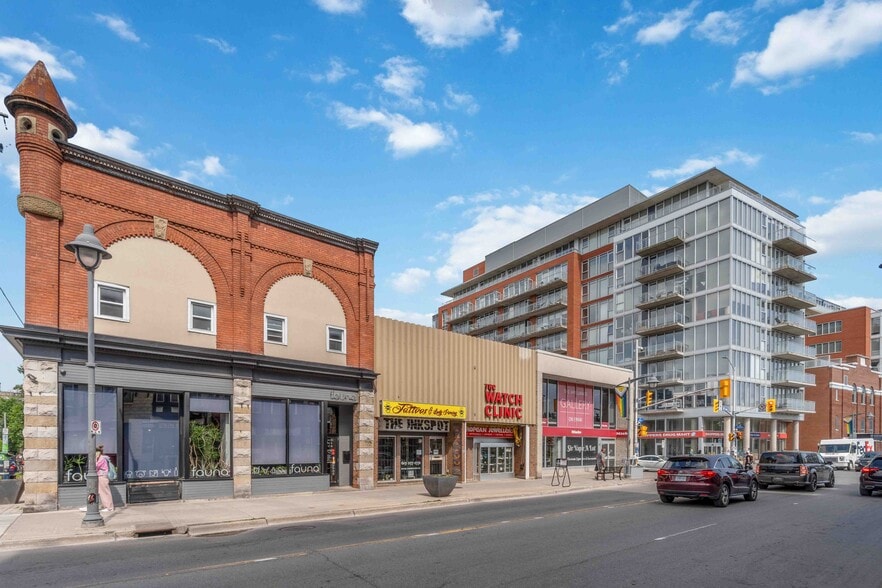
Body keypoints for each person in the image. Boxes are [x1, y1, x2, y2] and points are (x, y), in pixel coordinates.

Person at [95, 445, 115, 512]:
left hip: (102, 476)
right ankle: (104, 506)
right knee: (100, 492)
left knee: (104, 492)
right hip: (99, 476)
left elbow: (95, 466)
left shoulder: (102, 458)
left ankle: (109, 507)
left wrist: (94, 459)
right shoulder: (100, 458)